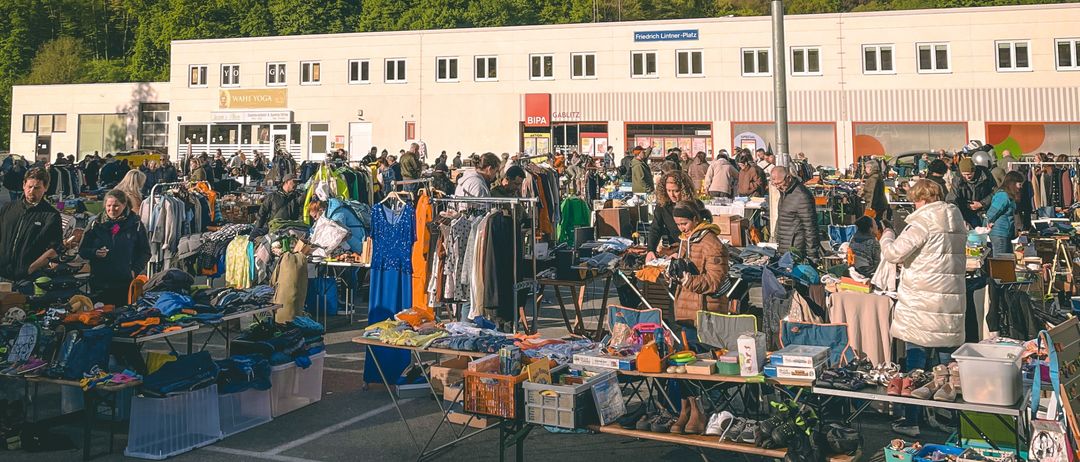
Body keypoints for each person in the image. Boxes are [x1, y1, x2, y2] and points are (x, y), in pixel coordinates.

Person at [879, 179, 967, 436]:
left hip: (922, 302)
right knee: (947, 369)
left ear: (921, 199)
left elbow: (894, 253)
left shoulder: (923, 221)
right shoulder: (955, 219)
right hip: (949, 303)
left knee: (915, 365)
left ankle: (911, 420)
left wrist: (886, 236)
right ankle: (948, 419)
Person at [77, 189, 150, 305]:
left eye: (116, 206)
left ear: (124, 205)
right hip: (99, 282)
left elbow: (145, 252)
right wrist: (95, 252)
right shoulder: (95, 224)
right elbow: (82, 250)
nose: (112, 209)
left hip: (124, 283)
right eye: (109, 206)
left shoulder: (135, 224)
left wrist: (134, 270)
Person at [669, 200, 729, 324]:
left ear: (695, 219)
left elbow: (715, 281)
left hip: (706, 311)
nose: (681, 228)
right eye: (678, 224)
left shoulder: (712, 244)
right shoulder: (686, 240)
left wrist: (689, 281)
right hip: (686, 310)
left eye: (684, 223)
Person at [0, 168, 63, 282]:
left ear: (45, 188)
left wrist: (30, 269)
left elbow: (55, 249)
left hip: (28, 278)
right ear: (24, 185)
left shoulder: (51, 216)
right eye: (29, 186)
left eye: (37, 188)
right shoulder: (8, 209)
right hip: (2, 273)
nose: (32, 191)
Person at [646, 171, 696, 262]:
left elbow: (695, 235)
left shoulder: (693, 206)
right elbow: (655, 227)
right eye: (669, 191)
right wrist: (650, 250)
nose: (672, 195)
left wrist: (681, 252)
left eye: (676, 191)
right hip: (673, 248)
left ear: (684, 190)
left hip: (692, 250)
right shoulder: (663, 205)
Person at [771, 166, 820, 260]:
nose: (778, 187)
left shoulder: (802, 195)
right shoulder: (784, 192)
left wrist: (812, 256)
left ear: (788, 178)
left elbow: (810, 228)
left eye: (780, 183)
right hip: (784, 246)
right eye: (775, 184)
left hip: (797, 248)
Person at [985, 171, 1023, 258]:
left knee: (1008, 259)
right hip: (999, 234)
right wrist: (985, 226)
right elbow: (992, 213)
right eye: (1019, 184)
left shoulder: (1009, 196)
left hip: (1005, 234)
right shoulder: (1003, 196)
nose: (1020, 187)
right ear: (1012, 183)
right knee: (1001, 260)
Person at [953, 158, 995, 228]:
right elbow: (952, 198)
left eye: (969, 174)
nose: (967, 177)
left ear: (974, 171)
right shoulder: (957, 179)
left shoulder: (985, 176)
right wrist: (959, 216)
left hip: (983, 211)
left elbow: (995, 191)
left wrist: (982, 203)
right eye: (964, 175)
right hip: (965, 212)